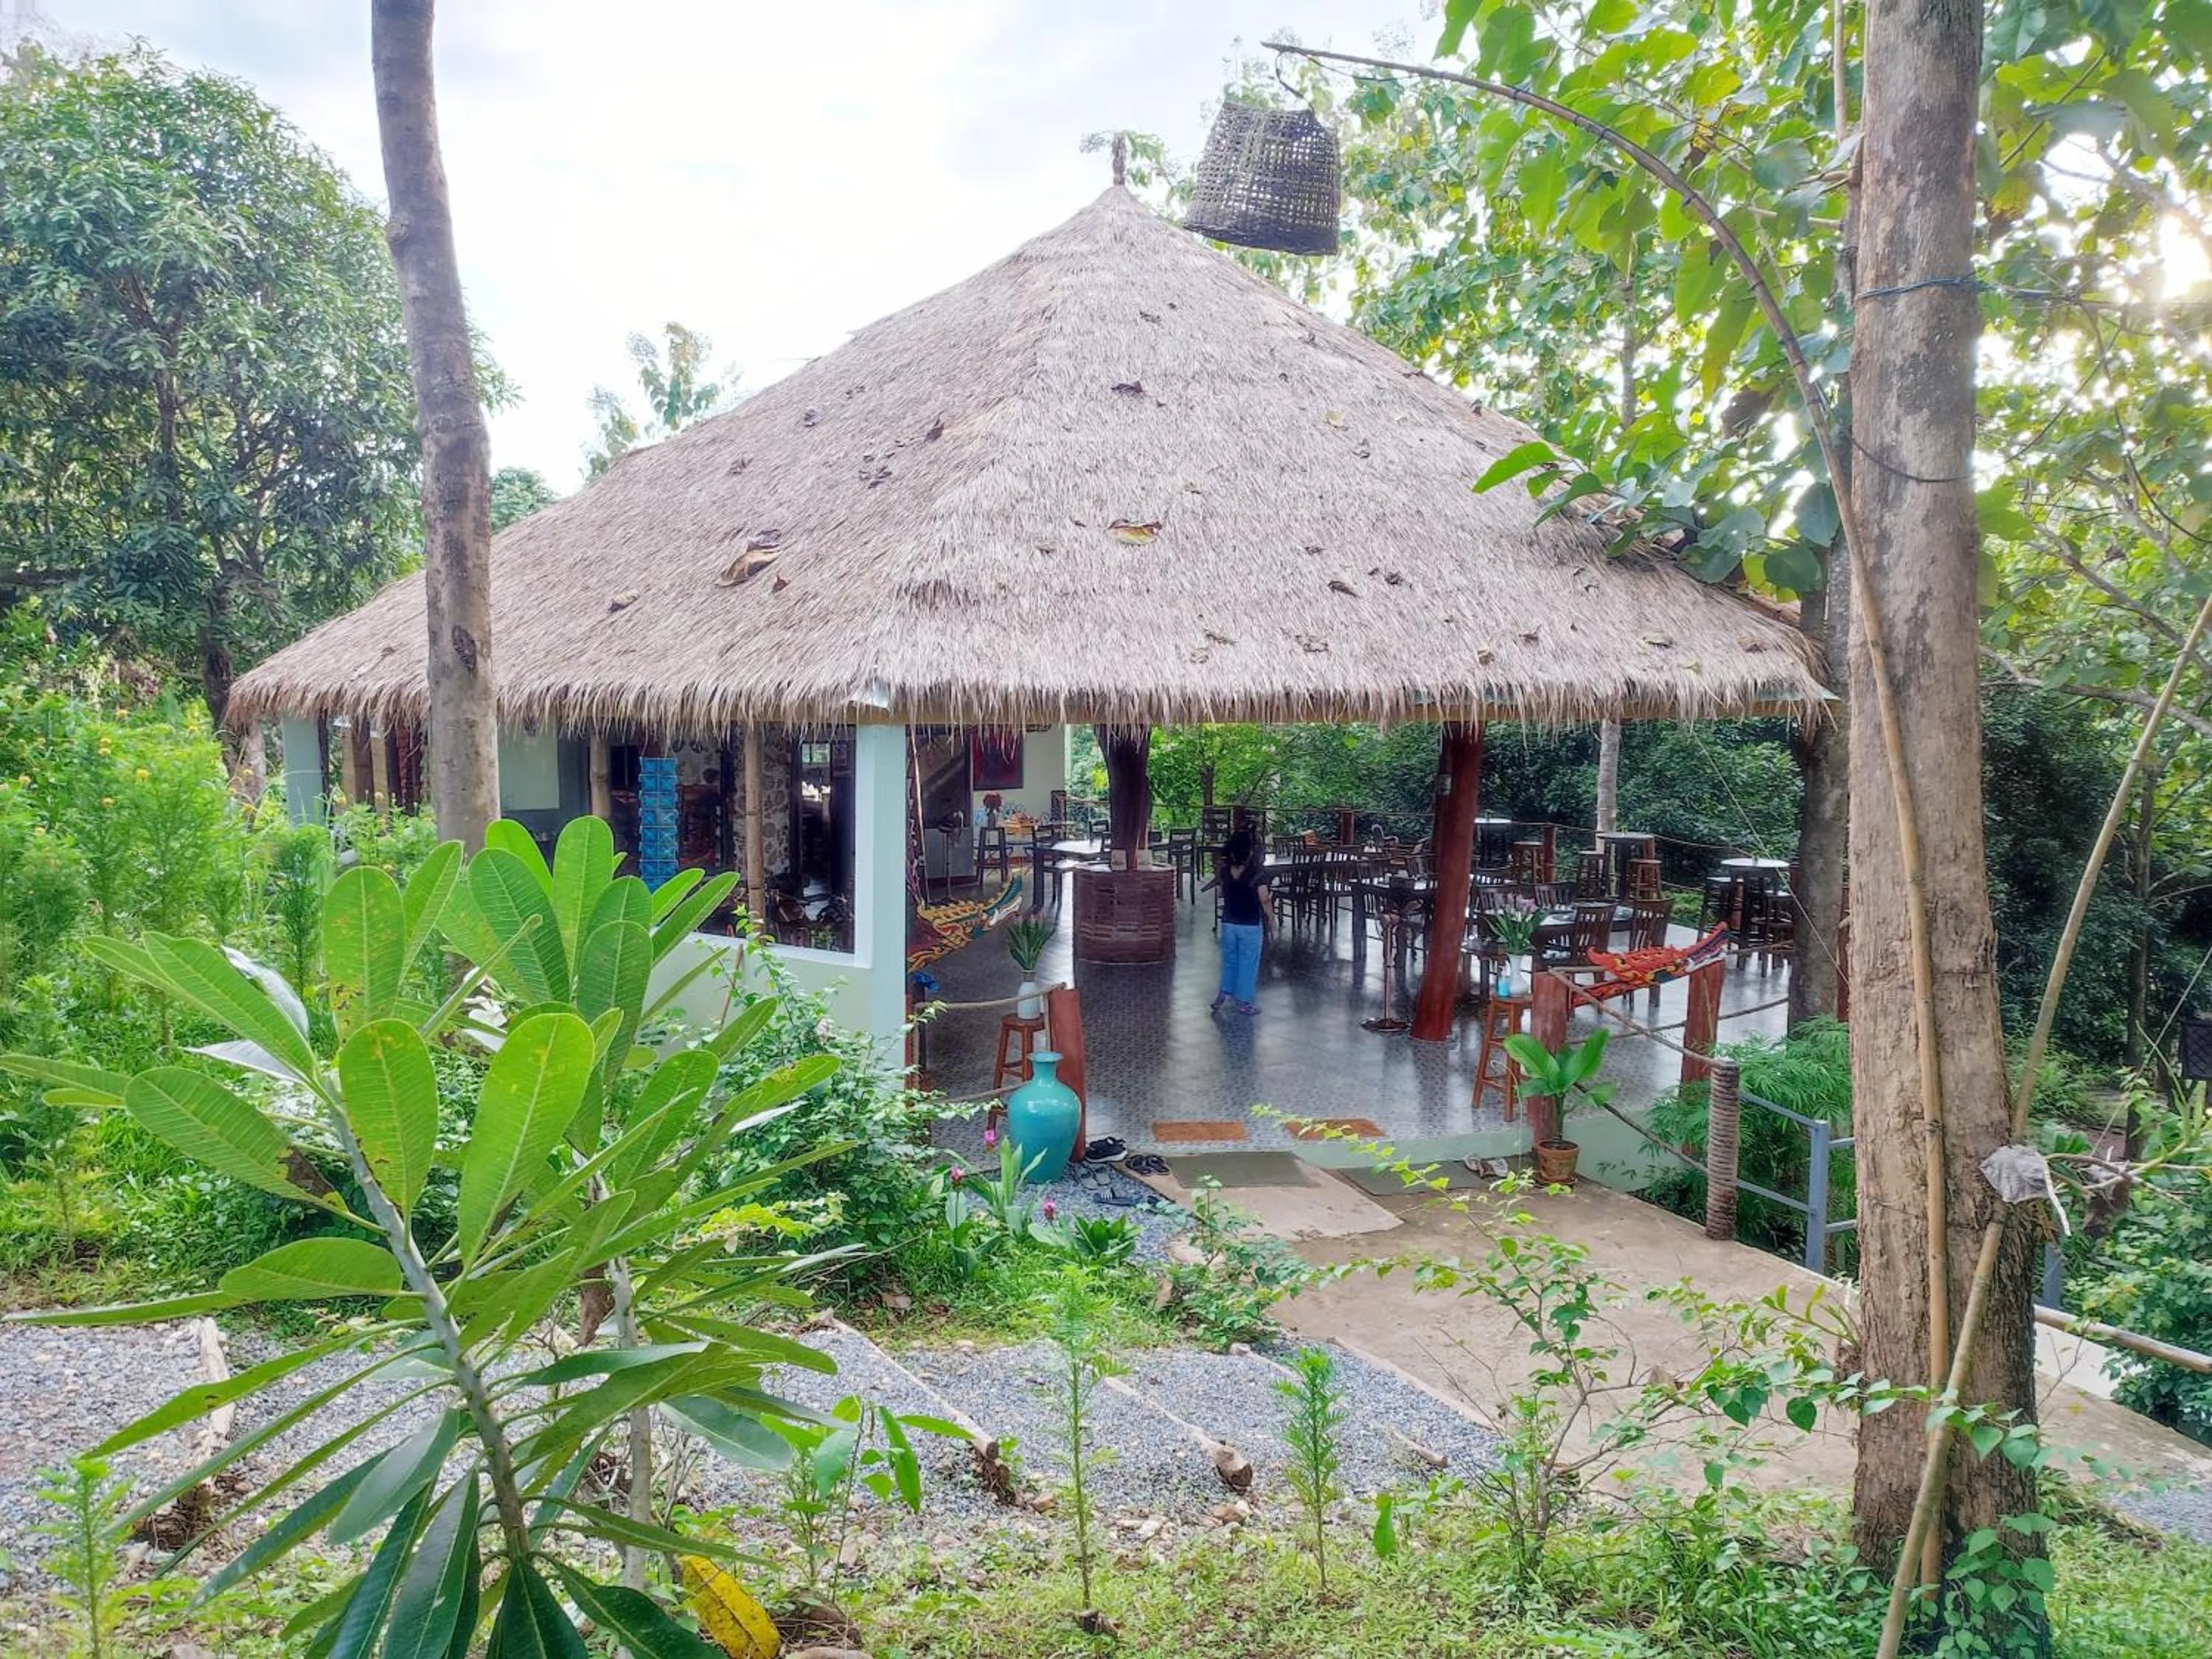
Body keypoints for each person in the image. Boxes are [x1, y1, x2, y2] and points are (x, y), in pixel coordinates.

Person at [1212, 828, 1272, 1015]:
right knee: (1248, 962)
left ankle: (1223, 993)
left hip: (1228, 922)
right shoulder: (1257, 872)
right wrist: (1271, 918)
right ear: (1250, 850)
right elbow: (1265, 899)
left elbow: (1220, 893)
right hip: (1250, 923)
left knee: (1230, 960)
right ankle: (1244, 1002)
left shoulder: (1224, 871)